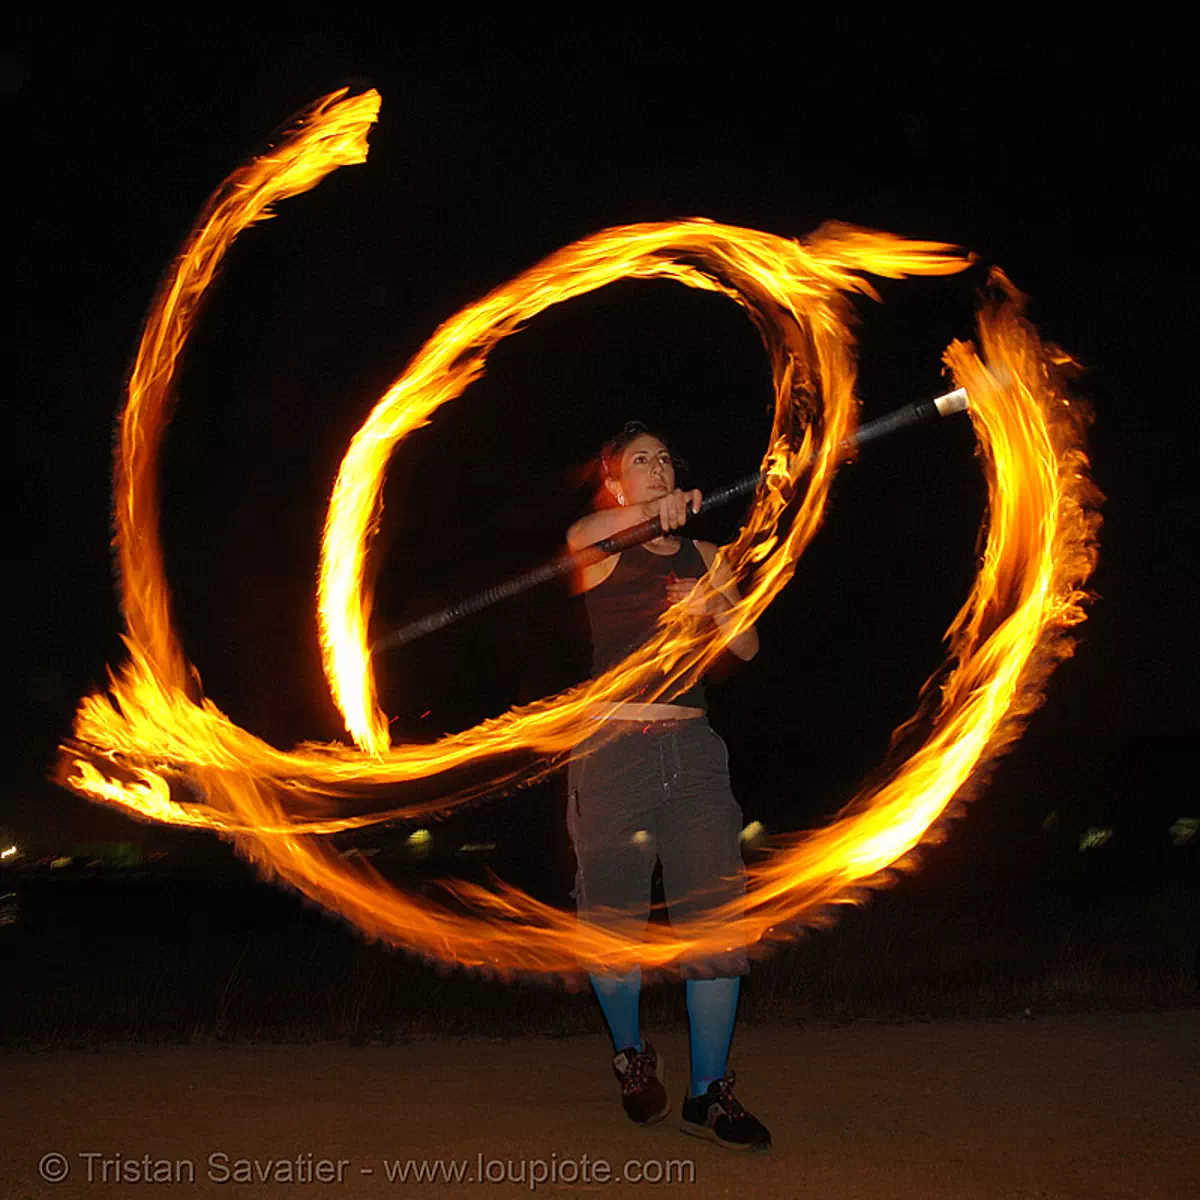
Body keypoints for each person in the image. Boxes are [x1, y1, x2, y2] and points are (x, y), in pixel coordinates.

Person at [565, 421, 771, 1151]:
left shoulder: (707, 555)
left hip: (692, 751)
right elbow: (582, 531)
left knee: (715, 920)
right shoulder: (599, 548)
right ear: (616, 483)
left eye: (663, 459)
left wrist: (711, 606)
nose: (655, 468)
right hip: (612, 751)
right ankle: (631, 1056)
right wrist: (650, 514)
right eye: (638, 462)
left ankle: (707, 1093)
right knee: (611, 921)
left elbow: (746, 644)